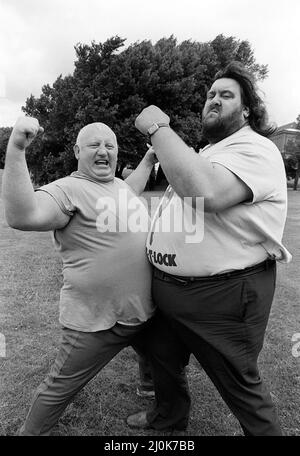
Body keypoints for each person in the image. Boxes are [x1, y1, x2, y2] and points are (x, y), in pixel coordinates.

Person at [127, 61, 292, 436]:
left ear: (247, 109)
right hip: (172, 290)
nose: (214, 99)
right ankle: (168, 419)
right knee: (163, 358)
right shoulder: (209, 151)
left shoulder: (257, 149)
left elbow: (207, 193)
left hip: (223, 296)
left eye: (226, 95)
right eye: (210, 94)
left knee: (240, 386)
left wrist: (157, 127)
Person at [2, 118, 157, 435]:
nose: (103, 151)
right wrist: (17, 148)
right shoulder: (67, 189)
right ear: (77, 151)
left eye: (109, 146)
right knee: (59, 386)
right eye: (94, 145)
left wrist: (150, 158)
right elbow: (23, 215)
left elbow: (134, 184)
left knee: (154, 352)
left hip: (142, 311)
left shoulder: (118, 187)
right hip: (96, 321)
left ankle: (148, 386)